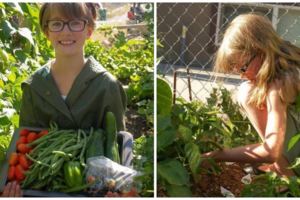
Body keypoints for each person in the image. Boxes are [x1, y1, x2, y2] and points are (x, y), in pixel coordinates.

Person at [2, 3, 127, 197]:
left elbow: (115, 143)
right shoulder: (34, 86)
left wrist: (118, 188)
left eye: (75, 23)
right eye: (57, 23)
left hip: (93, 187)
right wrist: (17, 185)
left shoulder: (106, 86)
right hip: (44, 185)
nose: (66, 31)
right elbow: (27, 145)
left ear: (89, 30)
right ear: (46, 32)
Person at [202, 13, 300, 178]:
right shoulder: (290, 67)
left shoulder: (281, 84)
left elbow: (271, 151)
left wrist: (216, 156)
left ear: (260, 51)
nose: (242, 75)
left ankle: (288, 181)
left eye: (243, 67)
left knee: (247, 93)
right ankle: (285, 173)